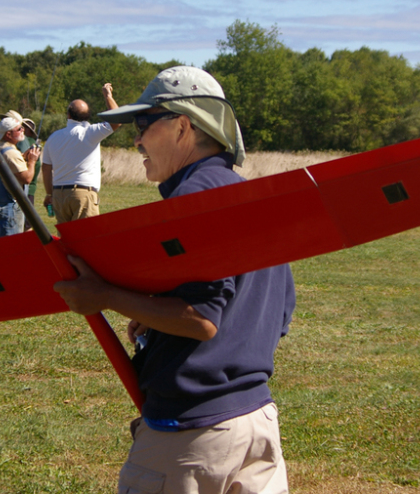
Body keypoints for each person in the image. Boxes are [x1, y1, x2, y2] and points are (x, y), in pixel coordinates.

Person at [52, 66, 295, 493]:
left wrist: (104, 295)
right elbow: (273, 312)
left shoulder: (190, 204)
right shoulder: (248, 197)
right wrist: (154, 309)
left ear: (183, 127)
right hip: (257, 423)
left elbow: (202, 319)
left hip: (193, 436)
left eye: (144, 124)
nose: (136, 140)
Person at [40, 83, 121, 223]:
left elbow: (46, 168)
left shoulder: (53, 137)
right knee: (87, 239)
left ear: (69, 115)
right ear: (88, 116)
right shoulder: (90, 133)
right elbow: (117, 119)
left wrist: (49, 194)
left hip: (59, 194)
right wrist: (108, 95)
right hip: (82, 194)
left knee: (67, 240)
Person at [0, 113, 40, 238]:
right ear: (8, 134)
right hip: (9, 205)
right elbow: (27, 178)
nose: (23, 130)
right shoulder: (11, 153)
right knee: (12, 245)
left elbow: (8, 164)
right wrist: (31, 161)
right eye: (19, 129)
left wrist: (23, 157)